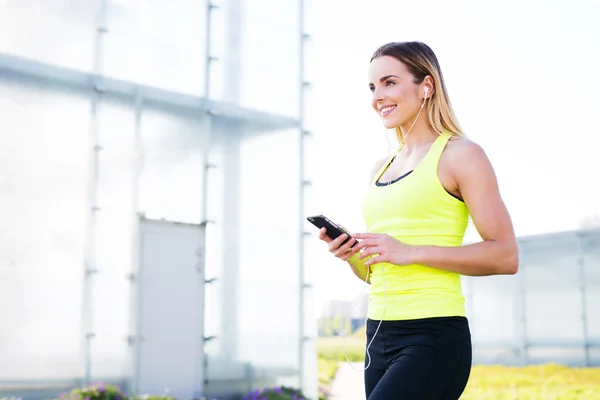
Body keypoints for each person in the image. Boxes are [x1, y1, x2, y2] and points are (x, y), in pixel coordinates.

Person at [318, 41, 519, 399]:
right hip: (377, 335)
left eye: (389, 82)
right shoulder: (379, 169)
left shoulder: (461, 155)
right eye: (372, 87)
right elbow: (376, 270)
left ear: (426, 86)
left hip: (432, 336)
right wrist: (352, 255)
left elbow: (505, 255)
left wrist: (409, 251)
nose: (378, 96)